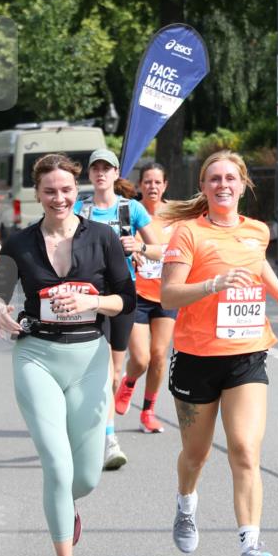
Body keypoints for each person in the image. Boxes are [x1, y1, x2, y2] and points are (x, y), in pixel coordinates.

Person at [0, 153, 136, 556]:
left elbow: (125, 300)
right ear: (38, 194)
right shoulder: (19, 243)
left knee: (85, 477)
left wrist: (93, 303)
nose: (59, 197)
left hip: (89, 357)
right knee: (56, 461)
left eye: (67, 189)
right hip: (36, 356)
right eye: (50, 191)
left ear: (78, 191)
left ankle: (66, 507)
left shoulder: (103, 237)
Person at [161, 150, 278, 556]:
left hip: (247, 354)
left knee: (244, 449)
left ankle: (250, 549)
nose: (223, 184)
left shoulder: (256, 231)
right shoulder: (188, 234)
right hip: (195, 359)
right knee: (196, 454)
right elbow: (169, 295)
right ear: (203, 188)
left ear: (243, 185)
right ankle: (186, 505)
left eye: (230, 178)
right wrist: (213, 284)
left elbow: (257, 264)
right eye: (213, 179)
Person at [78, 148, 160, 470]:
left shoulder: (132, 209)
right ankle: (107, 437)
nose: (101, 173)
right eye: (95, 168)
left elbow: (160, 250)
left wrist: (139, 246)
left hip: (122, 296)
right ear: (90, 174)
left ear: (115, 174)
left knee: (113, 374)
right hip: (88, 297)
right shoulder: (79, 209)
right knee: (89, 371)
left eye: (106, 168)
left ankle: (103, 431)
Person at [114, 162, 177, 433]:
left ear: (165, 186)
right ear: (140, 185)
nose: (152, 187)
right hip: (137, 293)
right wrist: (131, 251)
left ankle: (148, 412)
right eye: (147, 182)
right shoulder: (132, 212)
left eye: (157, 182)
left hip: (166, 294)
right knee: (140, 358)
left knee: (159, 356)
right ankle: (129, 382)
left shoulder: (177, 215)